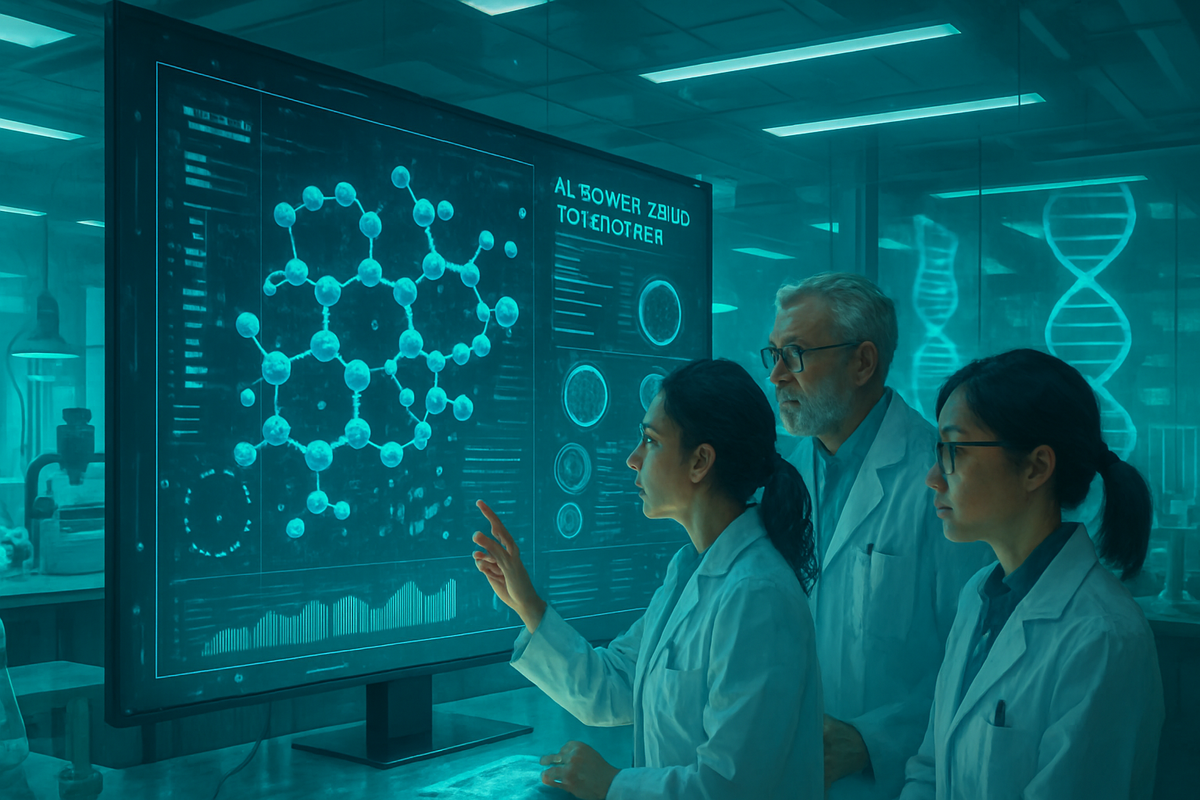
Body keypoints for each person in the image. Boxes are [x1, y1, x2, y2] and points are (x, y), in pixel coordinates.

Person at [471, 358, 824, 800]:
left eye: (650, 441)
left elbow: (734, 787)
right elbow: (615, 684)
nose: (632, 459)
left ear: (700, 461)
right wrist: (528, 606)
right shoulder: (688, 570)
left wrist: (612, 784)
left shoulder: (757, 594)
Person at [764, 272, 992, 799]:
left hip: (895, 780)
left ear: (862, 362)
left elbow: (979, 661)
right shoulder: (778, 482)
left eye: (794, 354)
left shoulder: (941, 482)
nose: (776, 375)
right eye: (772, 353)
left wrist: (873, 741)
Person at [899, 348, 1164, 799]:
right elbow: (929, 769)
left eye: (955, 450)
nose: (932, 477)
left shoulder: (1102, 637)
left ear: (1036, 467)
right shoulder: (978, 596)